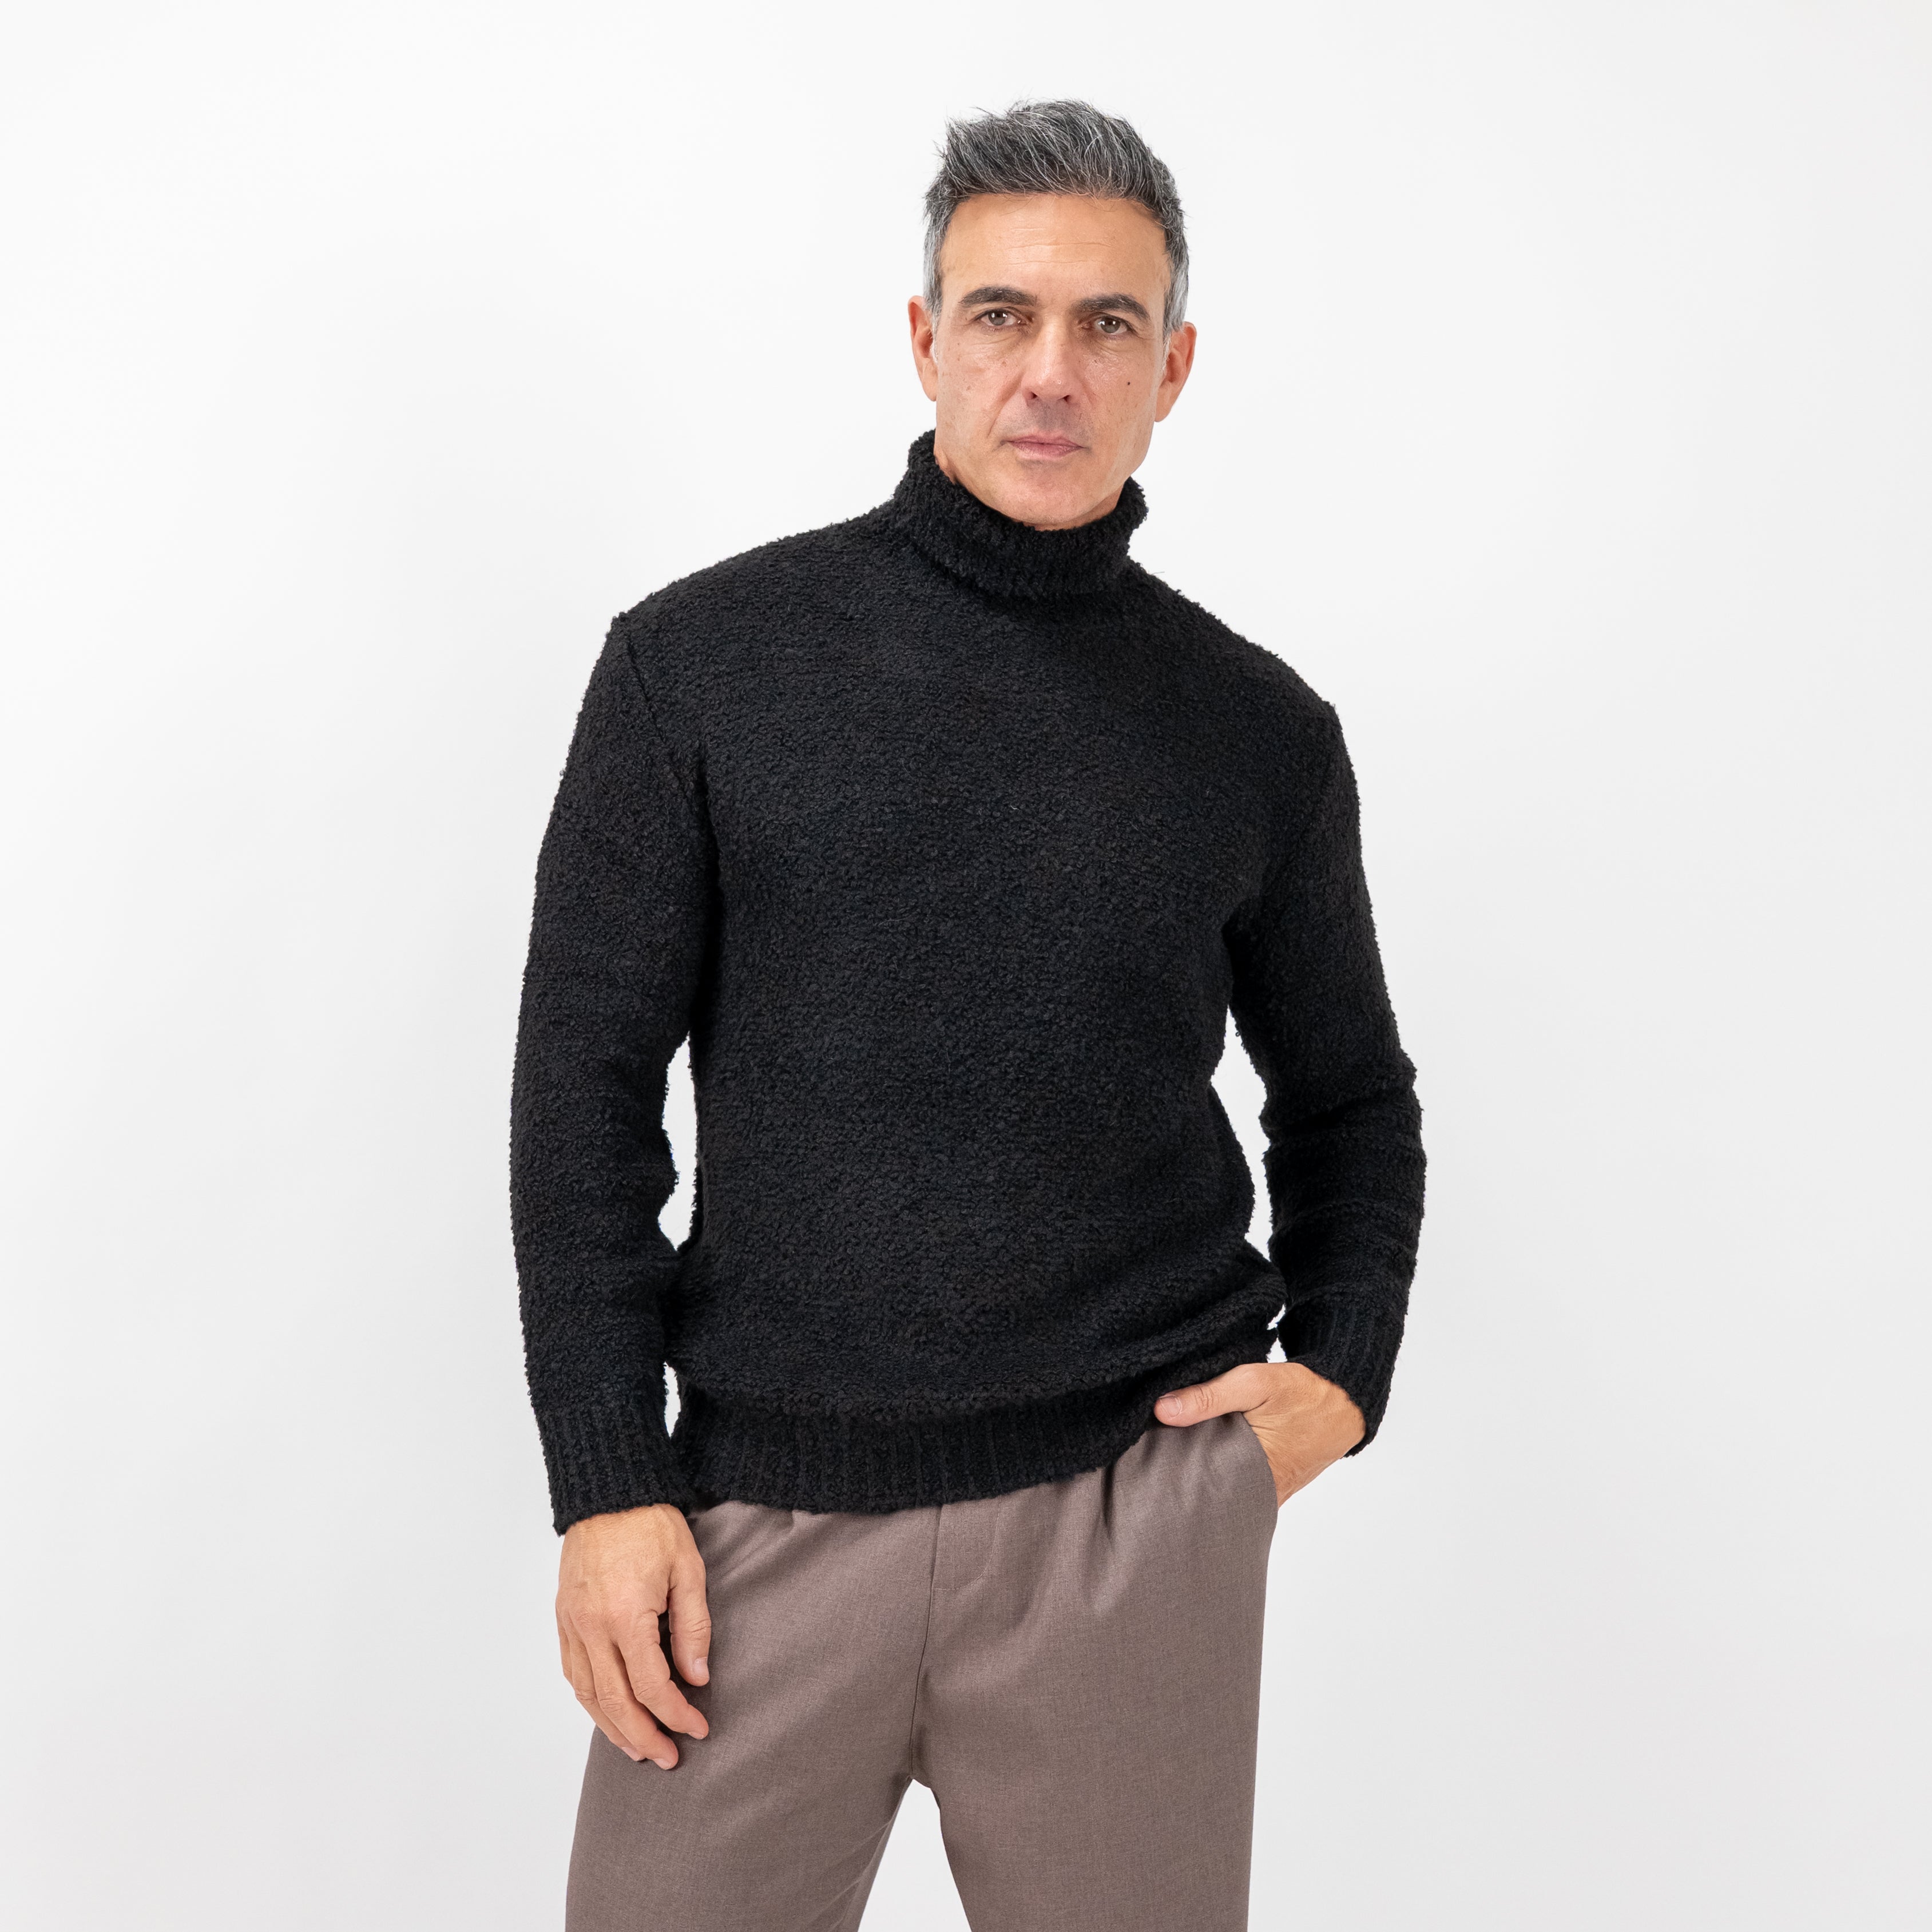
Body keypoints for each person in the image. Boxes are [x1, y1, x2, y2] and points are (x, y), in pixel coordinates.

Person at [510, 97, 1426, 1932]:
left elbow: (1346, 1100)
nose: (1048, 370)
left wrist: (1337, 1376)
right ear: (926, 340)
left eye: (1106, 324)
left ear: (1172, 370)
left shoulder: (1258, 731)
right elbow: (582, 1096)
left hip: (1128, 1518)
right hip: (751, 1528)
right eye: (1002, 314)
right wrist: (605, 1480)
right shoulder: (698, 666)